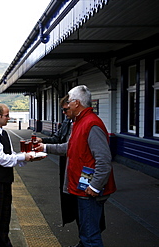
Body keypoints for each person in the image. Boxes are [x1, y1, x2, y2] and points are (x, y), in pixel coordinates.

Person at [36, 85, 116, 247]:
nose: (67, 107)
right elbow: (69, 147)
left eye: (70, 102)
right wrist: (44, 147)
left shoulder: (91, 124)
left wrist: (94, 186)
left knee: (90, 236)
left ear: (77, 103)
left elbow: (104, 159)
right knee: (86, 232)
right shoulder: (80, 122)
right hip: (81, 187)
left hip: (88, 189)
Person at [0, 103, 41, 247]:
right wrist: (23, 157)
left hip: (3, 180)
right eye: (6, 115)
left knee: (4, 215)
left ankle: (3, 242)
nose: (9, 118)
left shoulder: (4, 134)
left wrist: (26, 157)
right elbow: (2, 159)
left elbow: (10, 155)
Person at [36, 95, 77, 226]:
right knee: (69, 198)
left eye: (66, 110)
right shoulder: (67, 122)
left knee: (81, 205)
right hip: (66, 165)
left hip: (76, 167)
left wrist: (45, 147)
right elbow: (57, 138)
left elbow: (68, 147)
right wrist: (42, 140)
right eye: (62, 110)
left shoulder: (85, 124)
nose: (64, 113)